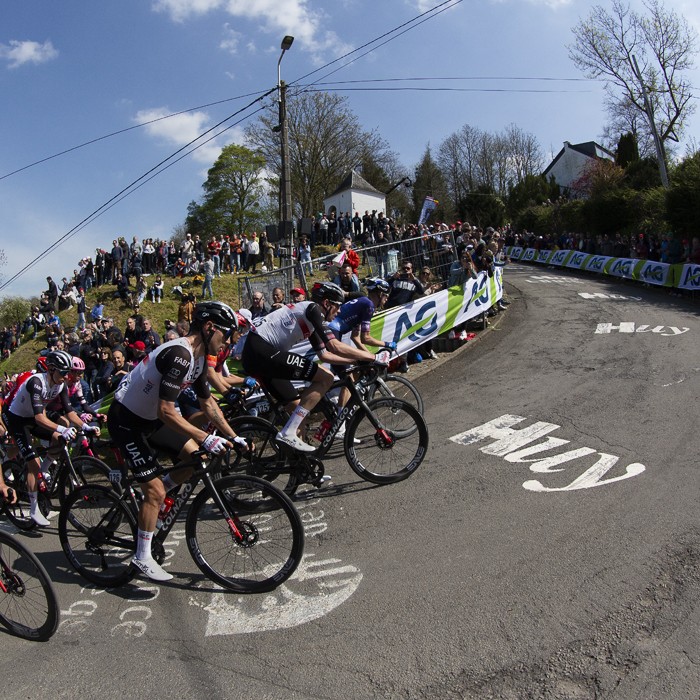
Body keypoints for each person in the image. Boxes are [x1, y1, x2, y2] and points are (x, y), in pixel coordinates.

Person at [107, 301, 250, 581]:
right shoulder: (180, 355)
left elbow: (207, 403)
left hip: (151, 419)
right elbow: (166, 410)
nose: (227, 343)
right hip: (127, 420)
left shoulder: (197, 359)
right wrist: (206, 436)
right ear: (209, 328)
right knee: (156, 491)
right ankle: (142, 556)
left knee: (198, 458)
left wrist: (234, 436)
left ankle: (158, 499)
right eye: (226, 334)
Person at [241, 281, 380, 454]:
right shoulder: (313, 309)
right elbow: (334, 346)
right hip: (260, 350)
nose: (339, 311)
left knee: (298, 409)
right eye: (337, 307)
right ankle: (288, 433)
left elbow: (324, 355)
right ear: (327, 303)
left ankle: (300, 465)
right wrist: (372, 356)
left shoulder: (311, 319)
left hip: (260, 354)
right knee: (326, 377)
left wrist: (357, 362)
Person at [5, 351, 99, 527]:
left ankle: (44, 471)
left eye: (68, 373)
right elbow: (40, 418)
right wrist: (63, 428)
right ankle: (34, 508)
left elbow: (70, 412)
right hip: (18, 420)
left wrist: (85, 426)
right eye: (63, 372)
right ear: (51, 369)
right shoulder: (36, 383)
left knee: (57, 439)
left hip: (32, 419)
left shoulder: (60, 384)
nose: (66, 376)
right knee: (33, 464)